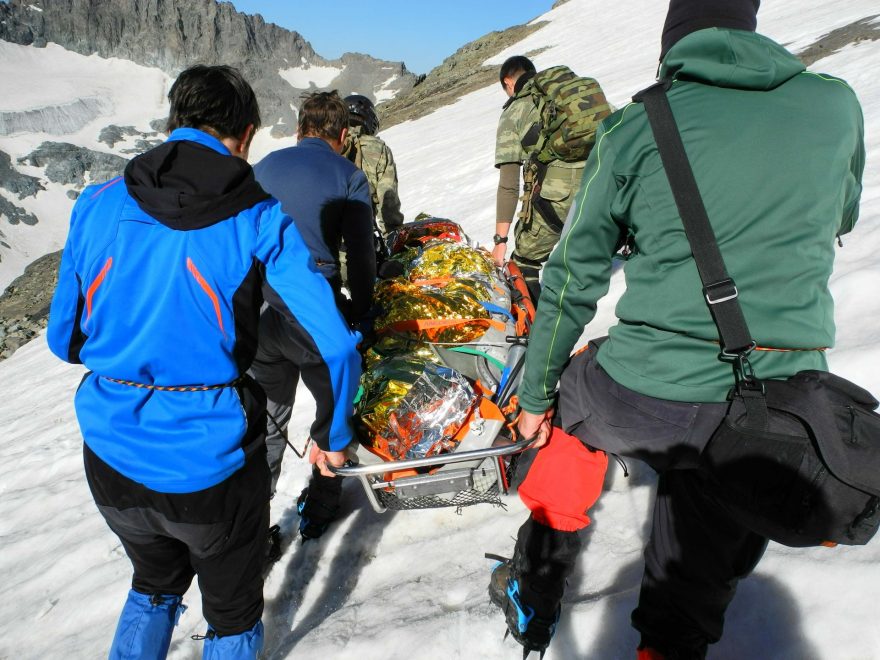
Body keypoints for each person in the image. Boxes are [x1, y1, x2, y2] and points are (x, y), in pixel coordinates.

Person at [488, 1, 865, 658]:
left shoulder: (638, 127)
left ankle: (537, 583)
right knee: (705, 516)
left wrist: (534, 400)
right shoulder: (835, 106)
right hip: (781, 397)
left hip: (649, 388)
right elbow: (842, 213)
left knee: (571, 396)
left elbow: (575, 275)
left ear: (672, 41)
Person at [47, 65, 361, 659]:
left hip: (111, 455)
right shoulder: (259, 216)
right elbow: (336, 345)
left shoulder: (97, 203)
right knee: (233, 618)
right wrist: (335, 433)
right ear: (244, 135)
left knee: (153, 587)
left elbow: (64, 341)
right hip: (210, 465)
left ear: (175, 122)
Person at [251, 91, 375, 540]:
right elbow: (360, 256)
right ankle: (321, 505)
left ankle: (255, 527)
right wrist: (362, 316)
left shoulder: (261, 167)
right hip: (311, 311)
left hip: (260, 310)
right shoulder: (349, 175)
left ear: (300, 129)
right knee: (336, 408)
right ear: (342, 135)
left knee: (266, 420)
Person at [490, 55, 608, 303]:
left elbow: (509, 185)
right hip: (604, 182)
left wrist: (500, 241)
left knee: (524, 264)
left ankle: (538, 337)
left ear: (508, 82)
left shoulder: (515, 110)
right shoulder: (571, 95)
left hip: (557, 196)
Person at [341, 93, 404, 237]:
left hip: (317, 244)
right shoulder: (377, 148)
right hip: (358, 241)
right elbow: (388, 200)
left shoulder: (327, 145)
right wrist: (392, 234)